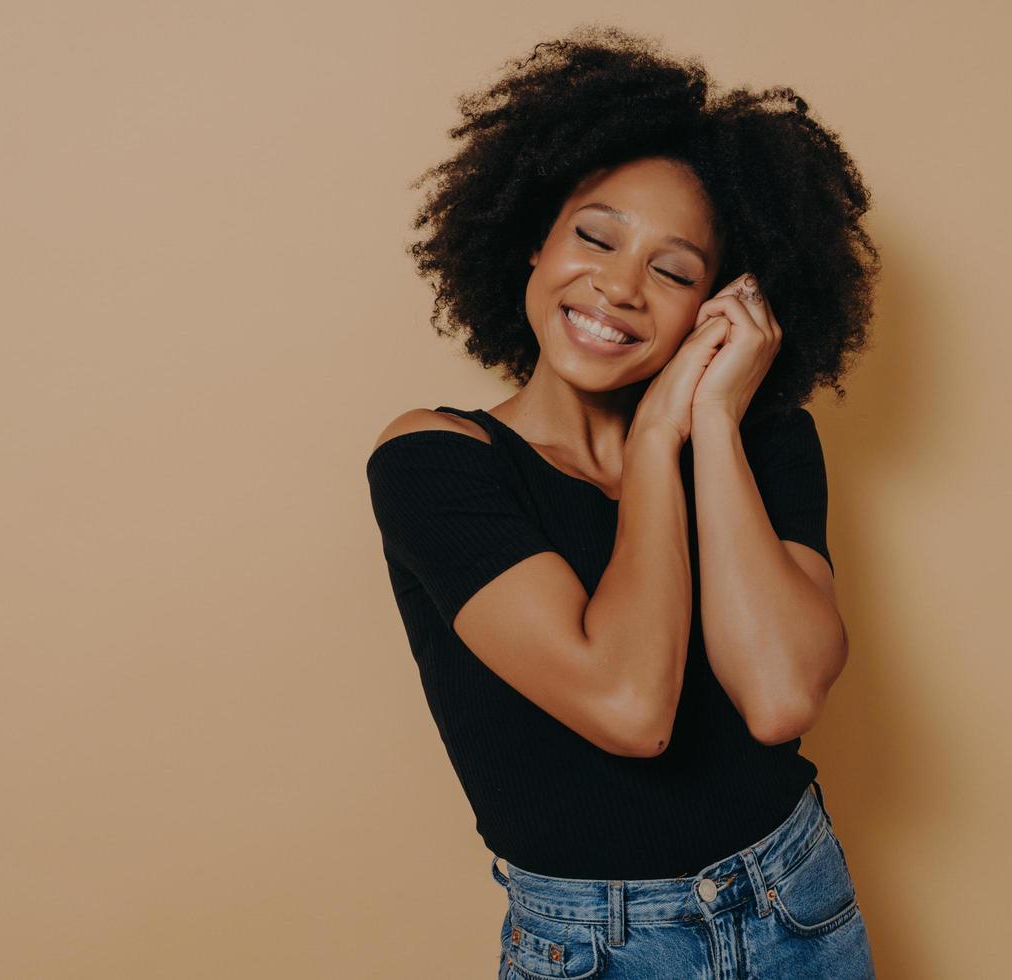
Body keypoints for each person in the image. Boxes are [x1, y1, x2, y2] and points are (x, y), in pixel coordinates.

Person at [364, 25, 880, 979]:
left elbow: (779, 697)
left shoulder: (763, 439)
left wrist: (712, 424)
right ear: (532, 241)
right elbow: (630, 704)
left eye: (674, 271)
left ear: (716, 305)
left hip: (799, 904)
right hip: (598, 947)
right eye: (595, 237)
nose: (618, 285)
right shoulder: (434, 461)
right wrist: (653, 441)